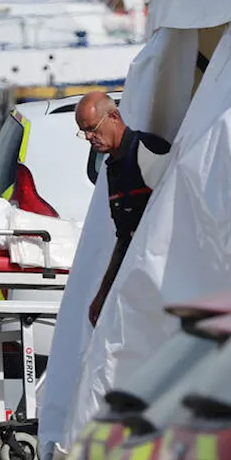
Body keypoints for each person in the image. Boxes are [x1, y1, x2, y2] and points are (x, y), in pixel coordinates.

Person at [76, 91, 172, 327]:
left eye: (93, 128)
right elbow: (124, 237)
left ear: (114, 117)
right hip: (141, 279)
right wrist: (101, 296)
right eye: (84, 131)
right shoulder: (112, 167)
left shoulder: (149, 149)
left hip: (167, 277)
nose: (89, 137)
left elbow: (178, 212)